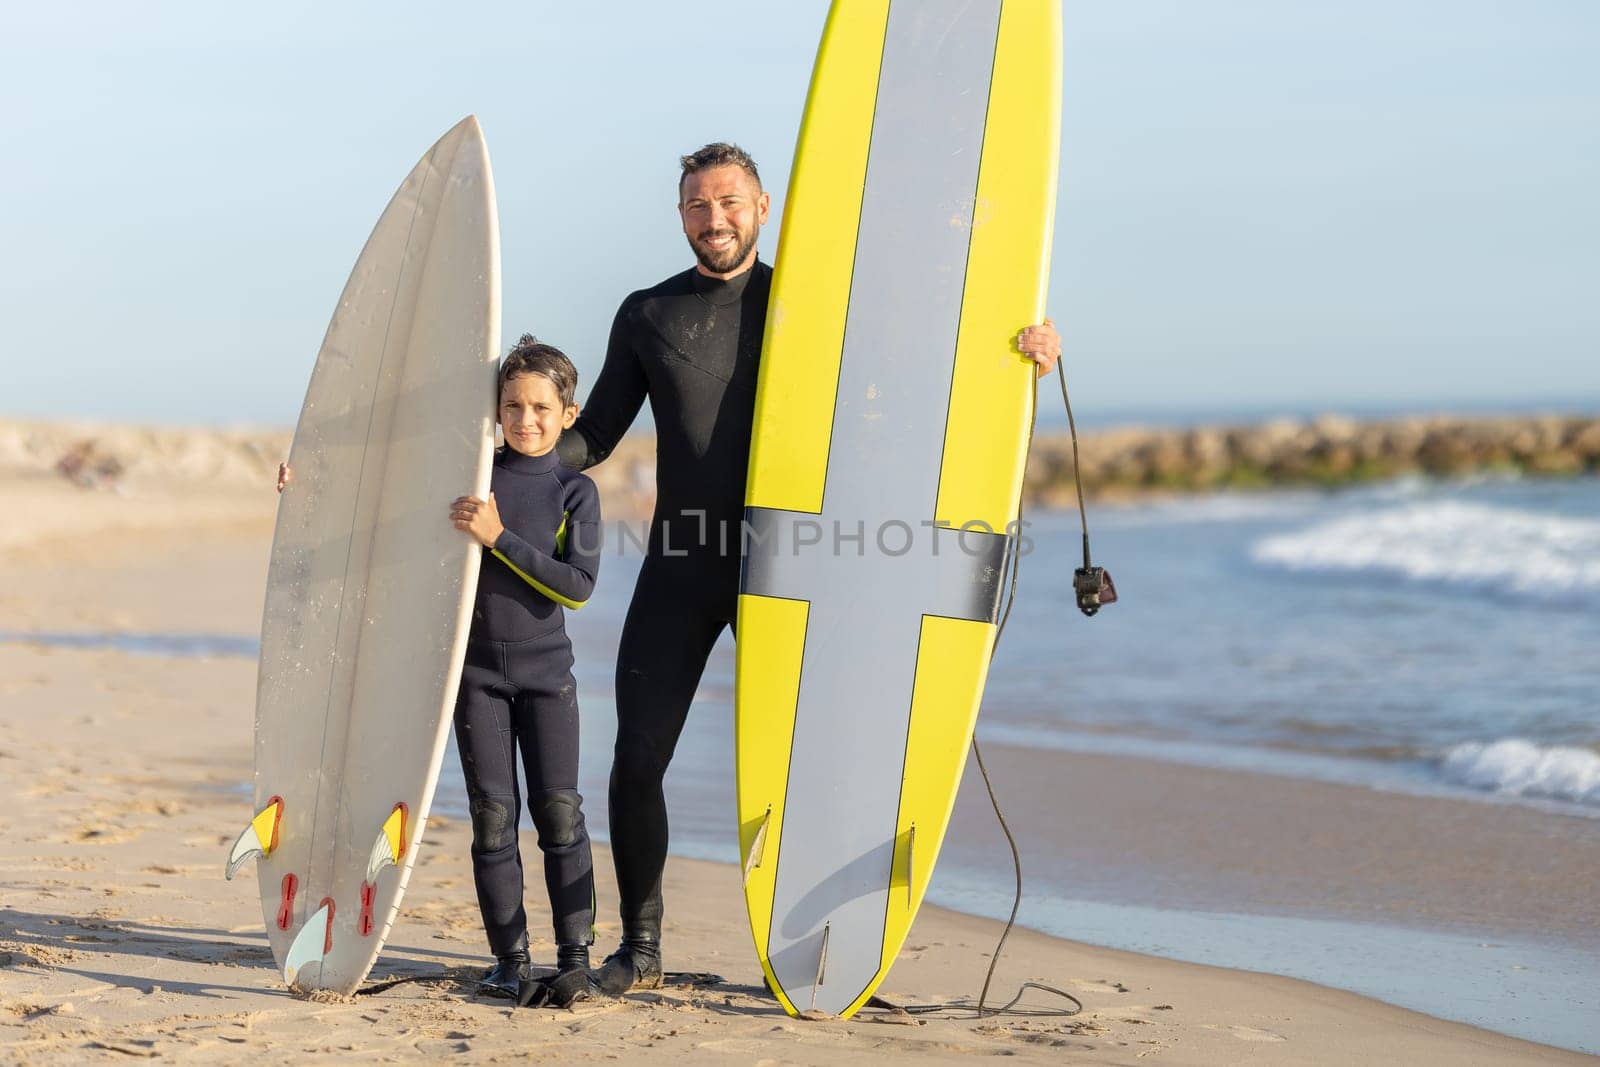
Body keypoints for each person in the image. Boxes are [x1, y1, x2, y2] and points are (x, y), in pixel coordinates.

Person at [555, 143, 1062, 994]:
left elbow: (918, 377)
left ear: (762, 205)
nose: (713, 219)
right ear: (680, 215)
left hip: (794, 570)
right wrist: (510, 457)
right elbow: (594, 436)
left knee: (818, 760)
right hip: (682, 562)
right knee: (637, 755)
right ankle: (640, 948)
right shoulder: (646, 314)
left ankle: (825, 936)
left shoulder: (813, 301)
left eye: (728, 202)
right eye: (695, 205)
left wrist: (1021, 356)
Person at [447, 335, 603, 1007]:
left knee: (559, 813)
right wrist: (299, 479)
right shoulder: (474, 479)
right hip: (475, 676)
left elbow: (576, 586)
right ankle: (509, 959)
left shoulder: (576, 491)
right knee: (492, 818)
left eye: (542, 406)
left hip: (548, 679)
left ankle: (576, 958)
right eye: (513, 405)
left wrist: (497, 537)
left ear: (568, 412)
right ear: (497, 410)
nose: (526, 419)